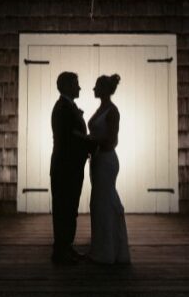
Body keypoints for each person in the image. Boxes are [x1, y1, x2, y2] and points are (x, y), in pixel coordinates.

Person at [87, 74, 131, 265]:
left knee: (105, 202)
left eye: (96, 86)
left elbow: (112, 140)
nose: (93, 89)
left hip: (106, 160)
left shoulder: (112, 111)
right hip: (97, 160)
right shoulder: (101, 109)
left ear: (104, 90)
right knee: (98, 203)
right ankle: (102, 246)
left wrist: (88, 140)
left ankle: (108, 251)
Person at [50, 71, 92, 264]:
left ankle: (66, 247)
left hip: (71, 166)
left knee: (70, 208)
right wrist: (94, 144)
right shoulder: (62, 108)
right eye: (76, 84)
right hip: (65, 167)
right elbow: (70, 139)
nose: (80, 87)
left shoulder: (68, 106)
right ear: (67, 86)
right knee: (64, 209)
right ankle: (60, 252)